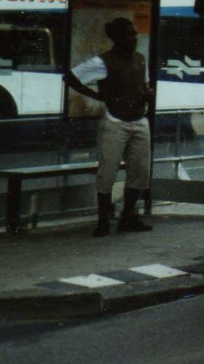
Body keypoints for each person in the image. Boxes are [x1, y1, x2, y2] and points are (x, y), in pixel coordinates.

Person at [65, 17, 154, 236]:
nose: (135, 38)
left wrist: (146, 94)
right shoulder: (102, 62)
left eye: (135, 34)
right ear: (117, 38)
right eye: (130, 34)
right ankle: (103, 220)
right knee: (107, 172)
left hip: (139, 120)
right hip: (115, 122)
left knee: (140, 172)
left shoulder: (141, 59)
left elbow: (144, 85)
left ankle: (128, 218)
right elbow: (71, 77)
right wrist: (97, 95)